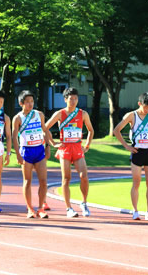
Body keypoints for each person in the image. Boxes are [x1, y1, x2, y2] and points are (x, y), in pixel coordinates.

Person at [113, 92, 148, 221]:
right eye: (145, 107)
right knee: (136, 182)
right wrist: (127, 146)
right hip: (137, 153)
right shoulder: (131, 116)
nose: (147, 110)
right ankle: (135, 211)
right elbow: (117, 130)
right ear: (139, 104)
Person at [45, 87, 94, 218]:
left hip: (78, 148)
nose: (73, 101)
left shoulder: (83, 114)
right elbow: (45, 127)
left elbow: (90, 130)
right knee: (66, 178)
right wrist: (53, 143)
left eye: (75, 99)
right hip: (65, 149)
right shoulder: (60, 114)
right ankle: (69, 208)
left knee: (84, 176)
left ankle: (84, 203)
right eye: (70, 99)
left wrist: (87, 144)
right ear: (65, 99)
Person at [12, 90, 54, 219]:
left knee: (43, 181)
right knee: (27, 180)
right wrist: (18, 154)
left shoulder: (39, 114)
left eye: (32, 101)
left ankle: (41, 208)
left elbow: (45, 131)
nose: (30, 104)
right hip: (26, 151)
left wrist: (47, 146)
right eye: (27, 102)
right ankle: (30, 208)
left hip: (39, 150)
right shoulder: (18, 118)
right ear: (21, 103)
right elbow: (14, 137)